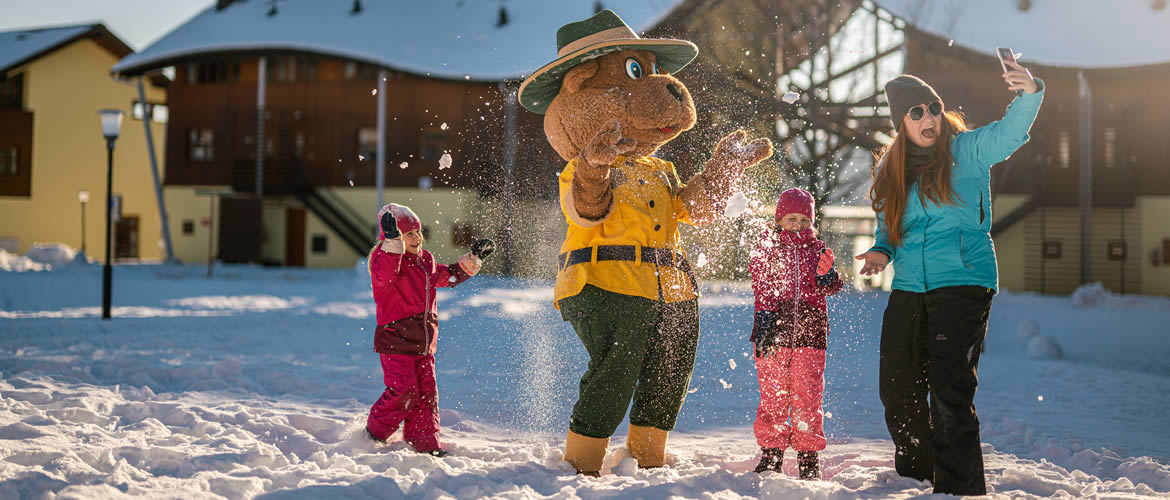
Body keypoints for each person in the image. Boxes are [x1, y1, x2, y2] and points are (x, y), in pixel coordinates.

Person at [854, 62, 1044, 495]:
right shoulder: (892, 169)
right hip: (909, 287)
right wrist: (883, 250)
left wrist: (1030, 93)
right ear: (901, 122)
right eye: (916, 112)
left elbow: (1009, 133)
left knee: (948, 390)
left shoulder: (967, 150)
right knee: (897, 387)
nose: (928, 119)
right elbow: (889, 225)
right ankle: (922, 475)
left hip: (963, 282)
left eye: (933, 108)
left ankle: (959, 488)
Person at [364, 203, 494, 457]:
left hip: (424, 344)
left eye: (418, 231)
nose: (416, 238)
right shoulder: (385, 260)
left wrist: (474, 258)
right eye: (408, 234)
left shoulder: (426, 260)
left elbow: (449, 276)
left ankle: (424, 443)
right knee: (404, 391)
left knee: (426, 396)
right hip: (396, 341)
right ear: (393, 237)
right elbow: (386, 275)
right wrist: (392, 244)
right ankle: (373, 433)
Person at [749, 188, 844, 479]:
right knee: (773, 394)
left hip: (811, 332)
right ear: (779, 219)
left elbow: (832, 287)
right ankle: (772, 452)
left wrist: (828, 276)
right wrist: (765, 316)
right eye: (791, 218)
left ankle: (808, 455)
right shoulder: (768, 247)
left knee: (808, 395)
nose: (798, 225)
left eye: (804, 220)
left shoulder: (818, 249)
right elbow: (760, 282)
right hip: (773, 330)